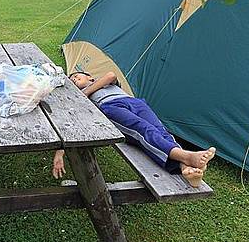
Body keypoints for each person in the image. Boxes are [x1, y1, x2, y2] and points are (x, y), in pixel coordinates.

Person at [52, 71, 216, 187]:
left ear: (89, 77)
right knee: (143, 130)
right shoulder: (84, 98)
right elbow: (71, 123)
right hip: (110, 107)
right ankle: (186, 157)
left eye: (76, 76)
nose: (73, 79)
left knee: (160, 129)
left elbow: (111, 75)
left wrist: (86, 92)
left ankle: (185, 168)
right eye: (71, 80)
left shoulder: (102, 83)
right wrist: (60, 152)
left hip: (135, 102)